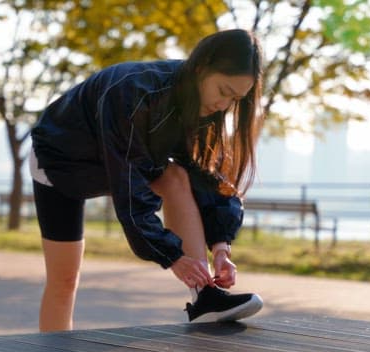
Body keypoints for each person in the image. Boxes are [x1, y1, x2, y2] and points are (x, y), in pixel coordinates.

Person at [30, 29, 264, 332]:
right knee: (63, 280)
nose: (224, 105)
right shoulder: (132, 92)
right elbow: (129, 190)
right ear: (200, 67)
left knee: (177, 176)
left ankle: (205, 295)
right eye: (223, 90)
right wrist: (172, 256)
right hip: (60, 164)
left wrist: (221, 247)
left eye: (235, 99)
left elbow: (208, 177)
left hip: (124, 161)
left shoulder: (207, 109)